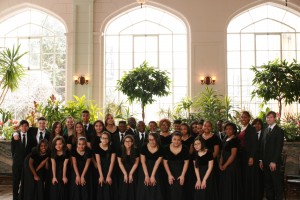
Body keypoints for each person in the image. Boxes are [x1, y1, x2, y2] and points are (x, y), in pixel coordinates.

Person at [259, 111, 284, 200]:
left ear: (275, 118)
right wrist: (261, 160)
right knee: (268, 184)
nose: (268, 119)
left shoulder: (279, 131)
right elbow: (262, 146)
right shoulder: (265, 130)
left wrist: (273, 161)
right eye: (267, 117)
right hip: (265, 162)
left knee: (276, 184)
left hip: (274, 163)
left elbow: (278, 148)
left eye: (270, 117)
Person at [11, 120, 36, 200]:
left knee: (25, 181)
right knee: (16, 181)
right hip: (17, 163)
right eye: (22, 126)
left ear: (28, 127)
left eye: (26, 126)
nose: (24, 127)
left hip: (27, 163)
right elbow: (13, 149)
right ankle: (15, 197)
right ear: (20, 127)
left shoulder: (31, 136)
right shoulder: (15, 136)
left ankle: (22, 197)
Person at [238, 111, 259, 200]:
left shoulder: (252, 129)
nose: (243, 119)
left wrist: (251, 157)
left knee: (248, 177)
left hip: (248, 156)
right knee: (243, 177)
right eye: (242, 117)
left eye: (245, 117)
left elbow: (254, 144)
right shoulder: (241, 128)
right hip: (242, 156)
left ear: (249, 118)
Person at [136, 133, 164, 200]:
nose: (152, 141)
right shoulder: (144, 147)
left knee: (155, 187)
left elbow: (157, 163)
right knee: (144, 187)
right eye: (150, 139)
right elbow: (143, 162)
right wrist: (146, 175)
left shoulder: (161, 148)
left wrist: (152, 176)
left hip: (156, 170)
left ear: (157, 140)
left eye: (154, 139)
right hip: (145, 169)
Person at [163, 132, 189, 200]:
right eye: (174, 139)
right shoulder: (166, 148)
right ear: (171, 139)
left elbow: (186, 162)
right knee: (169, 190)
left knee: (181, 191)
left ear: (181, 140)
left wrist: (183, 175)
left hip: (181, 171)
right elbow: (165, 162)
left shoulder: (185, 148)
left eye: (178, 140)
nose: (176, 141)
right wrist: (169, 175)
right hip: (169, 171)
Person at [219, 122, 241, 200]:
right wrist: (220, 163)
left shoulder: (235, 140)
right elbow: (222, 152)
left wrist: (225, 165)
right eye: (226, 129)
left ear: (234, 130)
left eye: (230, 129)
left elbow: (233, 155)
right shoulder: (225, 138)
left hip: (231, 165)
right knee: (225, 184)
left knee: (230, 184)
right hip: (224, 163)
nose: (228, 131)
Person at [201, 121, 221, 198]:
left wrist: (208, 160)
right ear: (203, 127)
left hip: (211, 163)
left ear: (212, 127)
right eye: (205, 126)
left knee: (211, 181)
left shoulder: (215, 137)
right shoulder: (199, 137)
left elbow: (216, 151)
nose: (207, 127)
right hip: (201, 164)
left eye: (209, 126)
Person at [117, 135, 140, 200]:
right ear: (123, 142)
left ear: (132, 142)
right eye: (126, 141)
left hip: (133, 170)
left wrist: (130, 174)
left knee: (132, 187)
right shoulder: (120, 150)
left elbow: (136, 163)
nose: (127, 143)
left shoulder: (136, 150)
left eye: (129, 141)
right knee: (123, 188)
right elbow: (120, 163)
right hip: (122, 170)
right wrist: (125, 174)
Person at [193, 136, 216, 200]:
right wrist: (198, 180)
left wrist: (204, 180)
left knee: (206, 192)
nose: (196, 146)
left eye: (198, 144)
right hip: (198, 174)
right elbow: (196, 167)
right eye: (195, 144)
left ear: (202, 144)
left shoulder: (209, 152)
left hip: (208, 174)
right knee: (198, 191)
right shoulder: (194, 153)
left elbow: (210, 167)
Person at [95, 132, 116, 200]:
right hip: (100, 169)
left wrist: (108, 176)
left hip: (110, 169)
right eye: (103, 138)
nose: (105, 140)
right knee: (101, 184)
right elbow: (98, 162)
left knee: (109, 185)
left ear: (109, 139)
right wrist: (101, 175)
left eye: (106, 138)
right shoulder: (97, 147)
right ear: (100, 139)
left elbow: (112, 162)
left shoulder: (112, 147)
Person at [180, 122, 195, 200]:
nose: (183, 131)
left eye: (185, 129)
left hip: (189, 160)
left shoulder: (192, 138)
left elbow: (191, 151)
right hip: (180, 162)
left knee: (189, 179)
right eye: (181, 129)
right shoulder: (178, 138)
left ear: (188, 129)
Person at [251, 118, 264, 200]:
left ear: (261, 126)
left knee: (261, 180)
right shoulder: (250, 134)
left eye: (259, 124)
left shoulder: (265, 133)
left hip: (261, 160)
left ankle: (260, 196)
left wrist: (261, 160)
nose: (257, 125)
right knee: (253, 180)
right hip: (252, 160)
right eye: (255, 124)